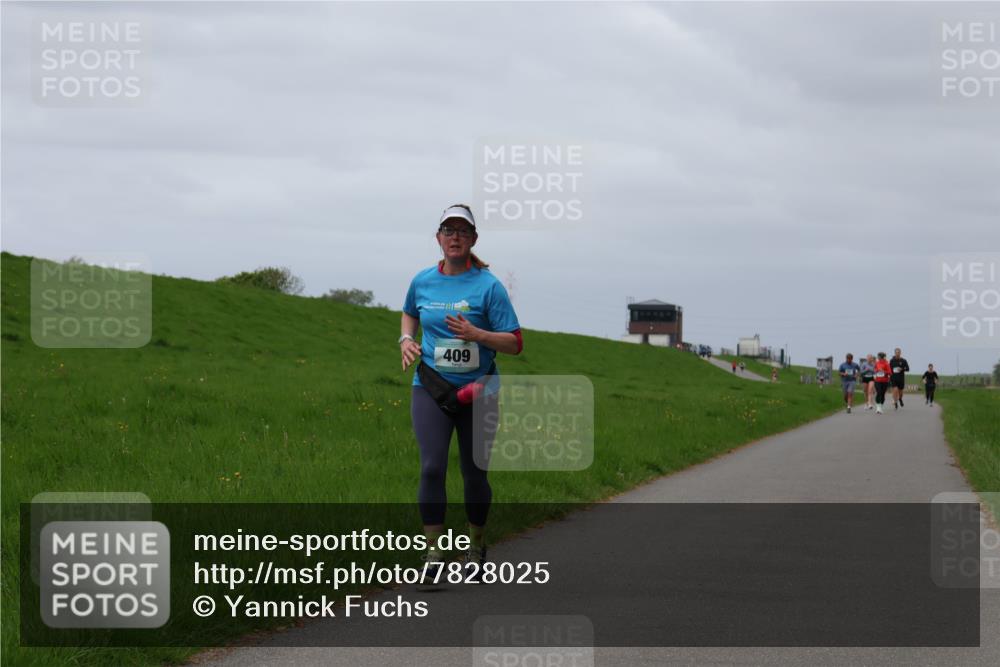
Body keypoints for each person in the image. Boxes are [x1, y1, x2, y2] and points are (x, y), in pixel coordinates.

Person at [400, 204, 523, 585]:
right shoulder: (422, 281)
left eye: (463, 231)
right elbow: (409, 313)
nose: (455, 237)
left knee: (474, 473)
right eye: (448, 230)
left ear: (473, 240)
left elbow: (515, 343)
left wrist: (479, 336)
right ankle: (434, 554)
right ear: (438, 238)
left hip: (479, 390)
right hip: (431, 387)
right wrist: (406, 338)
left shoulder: (488, 286)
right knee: (432, 466)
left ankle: (476, 545)